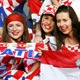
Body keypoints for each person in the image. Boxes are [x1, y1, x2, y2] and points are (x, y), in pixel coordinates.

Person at [0, 12, 33, 79]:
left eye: (18, 25)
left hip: (19, 74)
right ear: (6, 29)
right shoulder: (1, 41)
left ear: (24, 27)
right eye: (10, 26)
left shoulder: (29, 39)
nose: (14, 29)